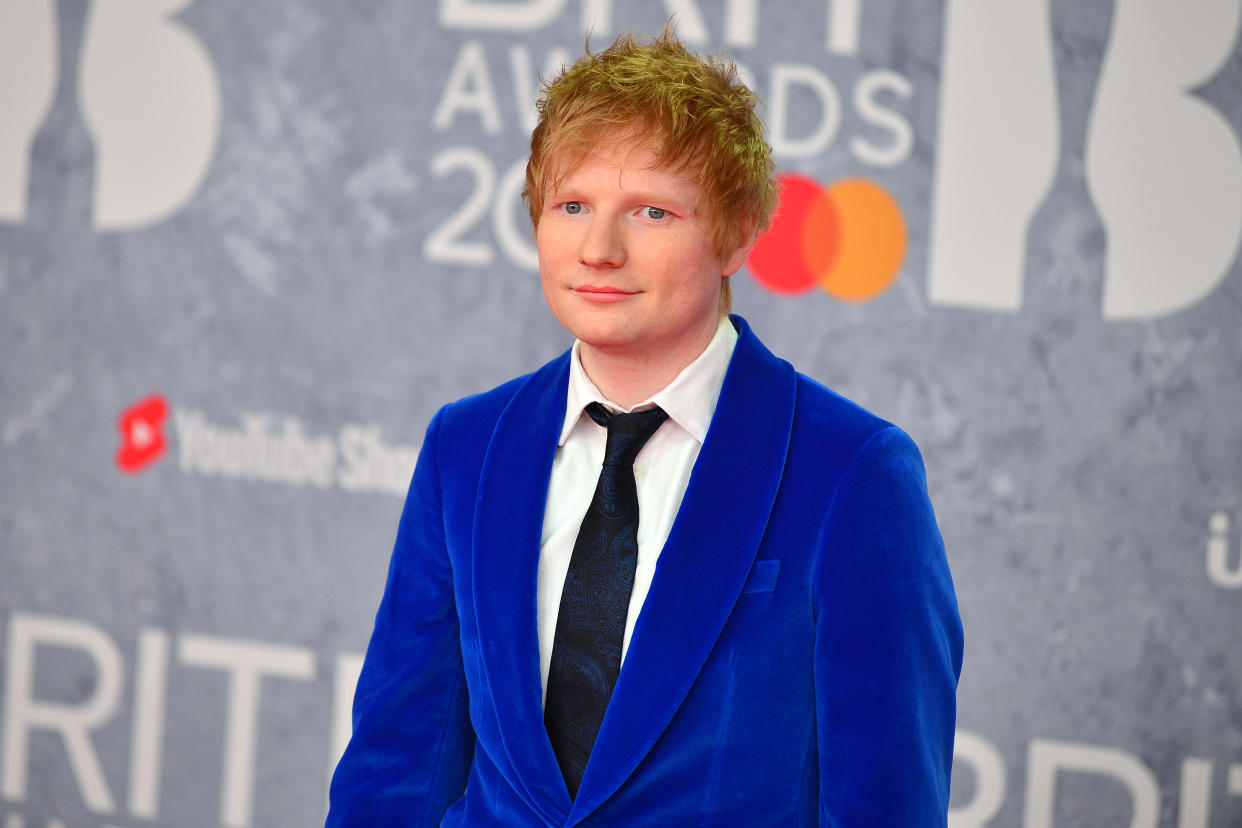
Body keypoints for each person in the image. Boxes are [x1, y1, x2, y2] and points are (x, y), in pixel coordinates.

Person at [327, 26, 962, 827]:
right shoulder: (467, 449)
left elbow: (886, 808)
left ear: (736, 234)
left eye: (652, 211)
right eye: (573, 205)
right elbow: (397, 770)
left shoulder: (855, 475)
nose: (599, 248)